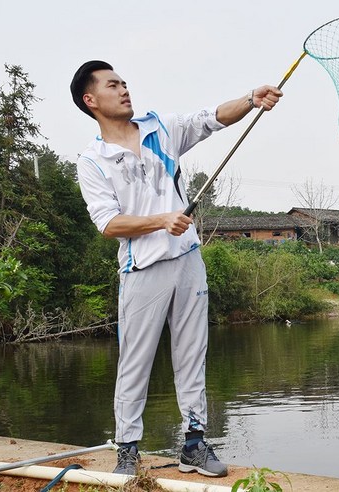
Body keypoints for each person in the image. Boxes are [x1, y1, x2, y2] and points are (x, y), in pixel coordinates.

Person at [70, 60, 282, 477]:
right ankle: (127, 450)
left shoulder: (160, 128)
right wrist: (161, 220)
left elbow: (210, 119)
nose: (125, 90)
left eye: (125, 83)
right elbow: (108, 224)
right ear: (91, 100)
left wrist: (250, 100)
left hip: (187, 260)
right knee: (135, 361)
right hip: (142, 269)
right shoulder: (92, 160)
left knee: (192, 354)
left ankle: (195, 444)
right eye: (113, 85)